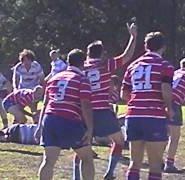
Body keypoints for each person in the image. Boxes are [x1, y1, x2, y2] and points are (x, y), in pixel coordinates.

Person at [73, 22, 137, 180]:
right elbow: (126, 56)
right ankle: (109, 173)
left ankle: (76, 176)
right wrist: (133, 37)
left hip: (82, 112)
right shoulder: (105, 65)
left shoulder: (81, 67)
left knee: (82, 147)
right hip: (102, 111)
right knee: (119, 141)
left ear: (87, 54)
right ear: (101, 54)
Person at [121, 32, 174, 180]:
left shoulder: (133, 66)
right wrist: (169, 109)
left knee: (134, 162)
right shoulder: (165, 66)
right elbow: (165, 90)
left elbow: (124, 94)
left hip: (133, 116)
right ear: (164, 47)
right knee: (155, 165)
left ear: (145, 46)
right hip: (154, 116)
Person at [35, 49, 95, 180]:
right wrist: (90, 129)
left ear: (68, 62)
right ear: (83, 63)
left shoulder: (54, 78)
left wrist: (39, 126)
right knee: (87, 158)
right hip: (69, 120)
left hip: (49, 119)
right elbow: (85, 105)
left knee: (48, 161)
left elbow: (45, 104)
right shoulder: (82, 79)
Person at [12, 49, 45, 123]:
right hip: (22, 90)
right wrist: (15, 89)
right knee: (19, 109)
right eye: (24, 61)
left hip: (34, 90)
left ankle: (35, 124)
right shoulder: (18, 67)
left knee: (33, 108)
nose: (26, 63)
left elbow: (42, 80)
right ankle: (16, 125)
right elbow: (15, 80)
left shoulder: (37, 66)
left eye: (28, 60)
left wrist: (43, 91)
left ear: (31, 60)